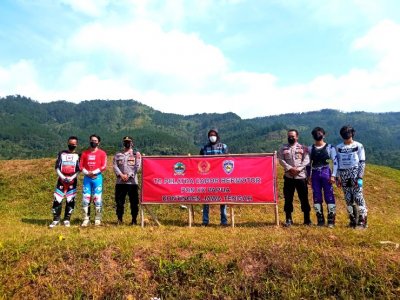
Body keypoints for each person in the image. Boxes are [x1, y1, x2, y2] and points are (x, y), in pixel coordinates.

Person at [336, 125, 368, 228]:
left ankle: (362, 220)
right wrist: (337, 177)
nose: (346, 135)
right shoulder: (339, 147)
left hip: (355, 174)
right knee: (348, 198)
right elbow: (336, 162)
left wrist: (360, 176)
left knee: (358, 197)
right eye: (344, 133)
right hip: (343, 174)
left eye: (348, 133)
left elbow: (362, 162)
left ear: (352, 134)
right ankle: (352, 220)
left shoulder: (358, 145)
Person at [278, 129, 311, 227]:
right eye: (289, 136)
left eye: (292, 136)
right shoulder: (283, 148)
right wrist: (290, 168)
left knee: (304, 198)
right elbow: (281, 160)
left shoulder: (303, 148)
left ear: (297, 137)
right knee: (288, 199)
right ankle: (288, 219)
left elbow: (307, 159)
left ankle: (307, 219)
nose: (290, 138)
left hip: (301, 177)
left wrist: (299, 169)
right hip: (288, 177)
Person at [307, 127, 338, 228]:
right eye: (316, 133)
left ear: (324, 135)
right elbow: (308, 164)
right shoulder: (310, 148)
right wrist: (308, 176)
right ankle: (320, 220)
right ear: (313, 136)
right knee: (316, 196)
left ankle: (331, 220)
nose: (318, 135)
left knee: (329, 196)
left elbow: (335, 162)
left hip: (326, 172)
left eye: (320, 133)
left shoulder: (330, 147)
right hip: (315, 174)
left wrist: (333, 175)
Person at [49, 136, 80, 228]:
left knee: (70, 200)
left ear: (76, 145)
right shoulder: (61, 153)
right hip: (61, 180)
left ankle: (67, 219)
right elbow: (57, 167)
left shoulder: (78, 155)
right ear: (67, 143)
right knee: (57, 199)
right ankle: (55, 219)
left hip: (72, 181)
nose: (72, 145)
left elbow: (79, 169)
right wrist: (62, 177)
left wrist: (72, 177)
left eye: (73, 144)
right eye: (70, 144)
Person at [200, 129, 228, 226]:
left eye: (214, 135)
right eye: (211, 135)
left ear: (217, 136)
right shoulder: (204, 148)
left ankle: (224, 221)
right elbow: (199, 161)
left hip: (221, 177)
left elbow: (227, 160)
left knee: (223, 198)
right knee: (206, 199)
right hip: (207, 178)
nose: (212, 136)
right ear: (208, 137)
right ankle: (205, 221)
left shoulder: (223, 147)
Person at [112, 136, 142, 225]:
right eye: (125, 141)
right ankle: (119, 219)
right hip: (120, 182)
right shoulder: (118, 154)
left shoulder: (136, 154)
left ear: (132, 143)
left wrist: (128, 175)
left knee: (134, 202)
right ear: (123, 143)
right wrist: (121, 175)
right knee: (119, 202)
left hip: (132, 182)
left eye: (129, 141)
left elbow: (137, 167)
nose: (127, 143)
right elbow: (114, 166)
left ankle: (134, 220)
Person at [79, 134, 107, 226]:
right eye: (92, 140)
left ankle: (97, 219)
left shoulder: (102, 153)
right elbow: (80, 166)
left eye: (95, 141)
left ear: (98, 142)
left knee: (97, 198)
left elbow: (104, 166)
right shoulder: (84, 153)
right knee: (85, 199)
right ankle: (86, 219)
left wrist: (94, 172)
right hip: (87, 178)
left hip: (97, 178)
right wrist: (88, 173)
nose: (93, 142)